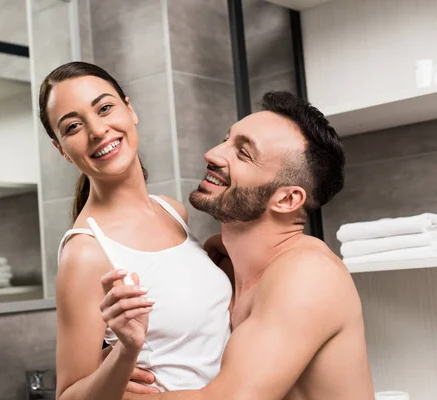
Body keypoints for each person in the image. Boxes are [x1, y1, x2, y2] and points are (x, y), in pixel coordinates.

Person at [108, 91, 375, 399]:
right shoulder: (221, 263)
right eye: (227, 139)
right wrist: (111, 367)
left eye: (244, 153)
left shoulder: (309, 275)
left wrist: (109, 395)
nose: (213, 153)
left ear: (287, 199)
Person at [40, 61, 234, 400]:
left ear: (130, 110)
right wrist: (125, 352)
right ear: (62, 151)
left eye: (104, 108)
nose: (97, 130)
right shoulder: (86, 253)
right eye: (73, 127)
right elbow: (68, 395)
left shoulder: (173, 212)